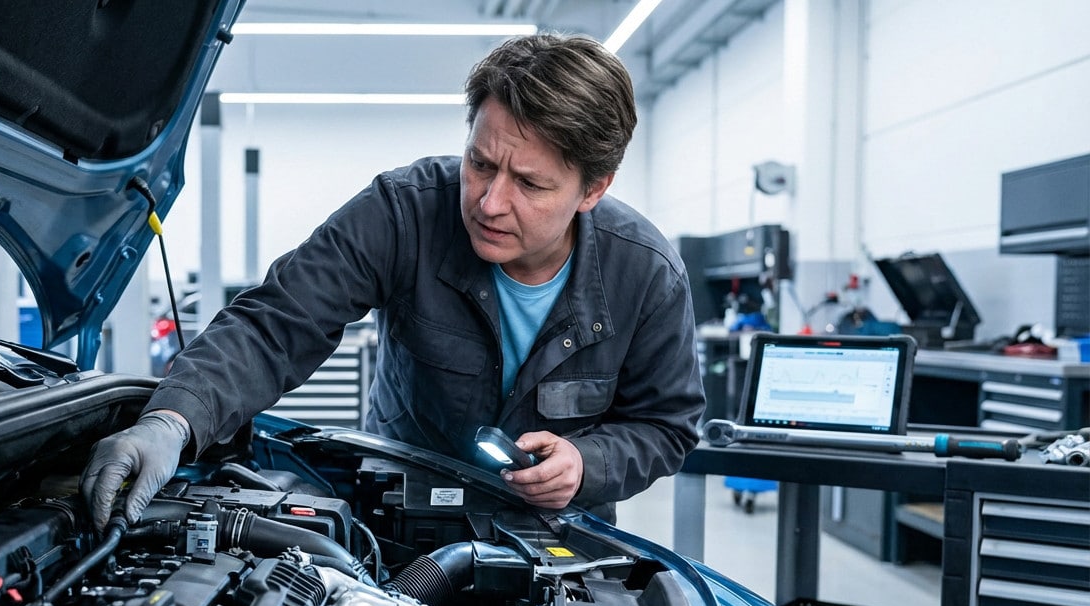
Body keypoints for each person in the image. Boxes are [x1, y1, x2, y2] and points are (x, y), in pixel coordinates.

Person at [82, 33, 705, 530]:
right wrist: (172, 421)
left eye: (530, 184)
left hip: (558, 535)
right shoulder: (404, 212)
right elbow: (277, 323)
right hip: (399, 515)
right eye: (480, 164)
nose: (489, 202)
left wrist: (586, 464)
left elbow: (666, 425)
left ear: (593, 189)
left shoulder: (645, 274)